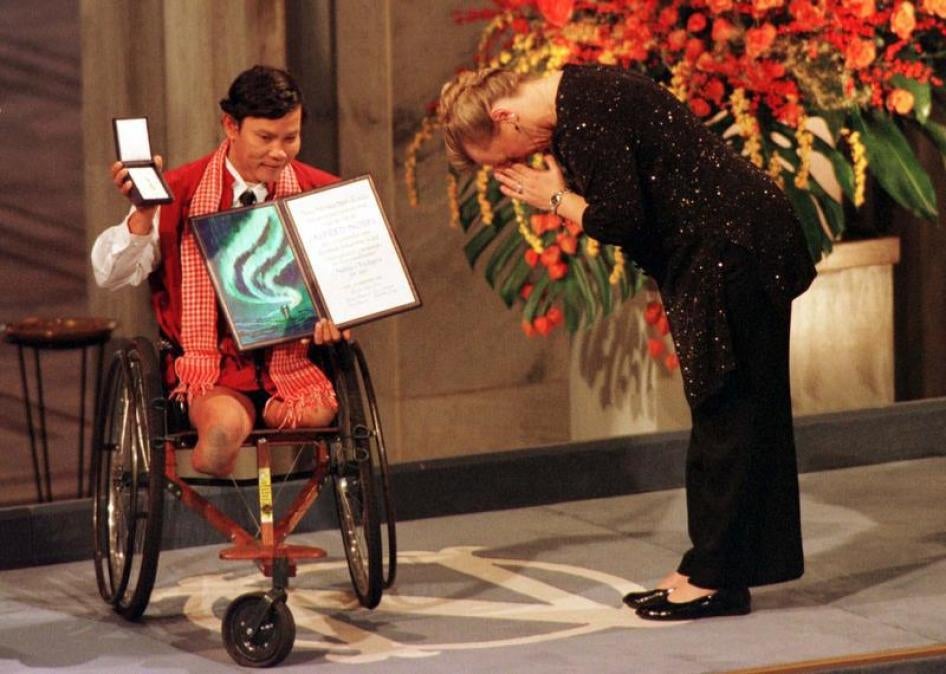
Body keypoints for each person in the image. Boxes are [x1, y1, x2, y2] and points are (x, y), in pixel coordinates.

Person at [437, 64, 817, 621]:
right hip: (718, 250)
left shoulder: (586, 114)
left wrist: (555, 198)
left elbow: (620, 218)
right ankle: (709, 566)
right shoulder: (575, 102)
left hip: (731, 249)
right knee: (727, 408)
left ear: (505, 116)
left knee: (729, 409)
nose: (514, 169)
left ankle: (717, 578)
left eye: (504, 159)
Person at [92, 65, 349, 478]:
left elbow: (350, 277)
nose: (279, 153)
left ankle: (266, 436)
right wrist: (142, 213)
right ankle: (226, 445)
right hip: (212, 368)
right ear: (230, 125)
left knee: (318, 413)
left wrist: (343, 316)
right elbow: (111, 274)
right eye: (265, 138)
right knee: (223, 431)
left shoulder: (320, 190)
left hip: (291, 359)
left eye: (291, 137)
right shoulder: (180, 191)